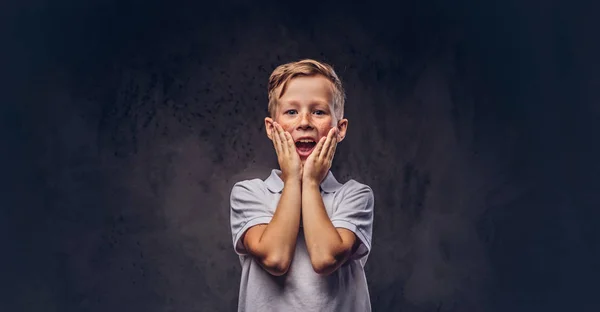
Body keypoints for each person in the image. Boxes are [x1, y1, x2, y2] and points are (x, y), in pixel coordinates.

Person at [229, 59, 375, 311]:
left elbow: (325, 258)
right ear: (271, 128)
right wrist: (294, 179)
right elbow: (275, 258)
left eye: (318, 111)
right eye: (291, 112)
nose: (304, 122)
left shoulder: (355, 195)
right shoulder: (250, 193)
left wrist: (309, 181)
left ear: (339, 130)